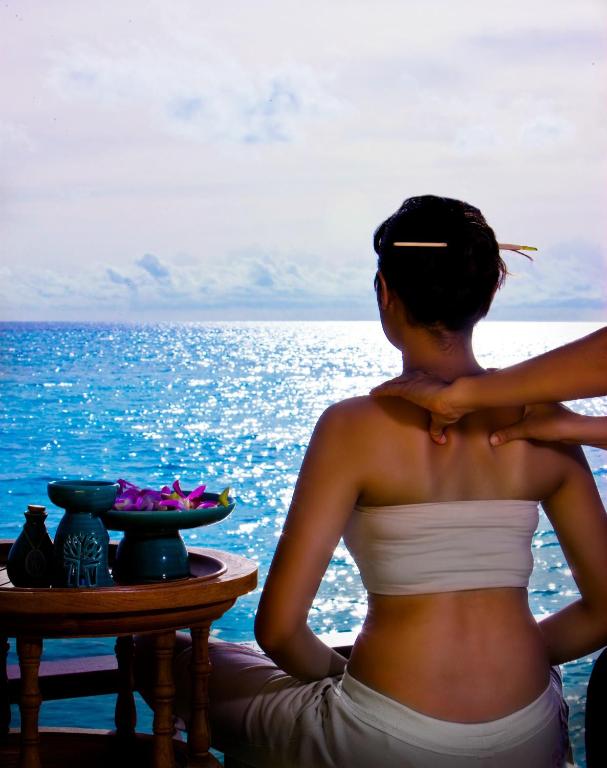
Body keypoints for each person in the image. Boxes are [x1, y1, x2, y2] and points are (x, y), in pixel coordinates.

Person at [137, 196, 607, 767]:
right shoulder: (547, 422)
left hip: (385, 735)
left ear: (385, 292)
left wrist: (355, 678)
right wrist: (522, 654)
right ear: (486, 295)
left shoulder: (351, 427)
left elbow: (279, 631)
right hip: (526, 733)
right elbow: (605, 610)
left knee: (155, 653)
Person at [371, 327, 607, 449]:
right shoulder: (546, 435)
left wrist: (458, 397)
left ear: (385, 293)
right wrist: (574, 426)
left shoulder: (356, 424)